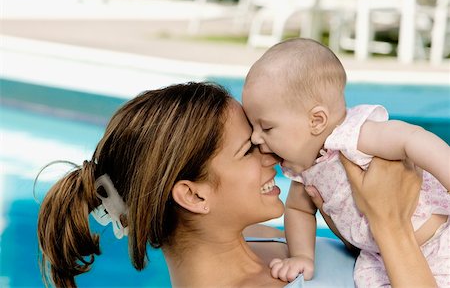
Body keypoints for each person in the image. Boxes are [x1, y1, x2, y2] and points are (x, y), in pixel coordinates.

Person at [37, 82, 437, 288]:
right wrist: (390, 225)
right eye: (249, 150)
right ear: (193, 194)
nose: (273, 157)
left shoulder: (261, 240)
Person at [242, 38, 450, 286]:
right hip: (381, 259)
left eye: (266, 127)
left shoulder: (355, 136)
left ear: (317, 120)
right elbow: (298, 210)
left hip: (440, 236)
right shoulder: (303, 170)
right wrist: (302, 256)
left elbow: (411, 139)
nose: (255, 137)